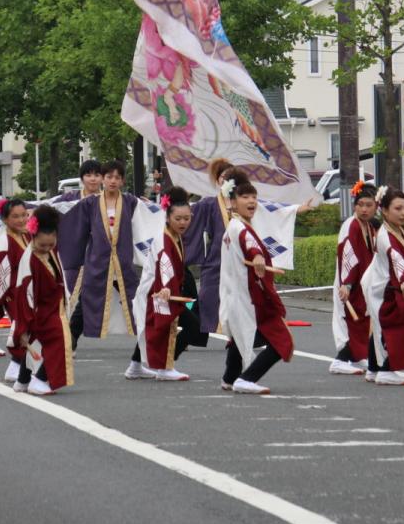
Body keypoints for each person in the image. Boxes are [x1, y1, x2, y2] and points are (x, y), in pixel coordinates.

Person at [185, 158, 306, 335]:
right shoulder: (209, 204)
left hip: (242, 258)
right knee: (207, 297)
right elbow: (186, 215)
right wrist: (166, 206)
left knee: (246, 298)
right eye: (223, 176)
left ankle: (249, 335)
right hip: (217, 258)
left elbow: (269, 210)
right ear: (218, 180)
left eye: (230, 175)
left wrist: (296, 209)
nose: (227, 179)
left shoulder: (244, 201)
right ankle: (190, 332)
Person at [58, 160, 145, 359]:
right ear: (103, 179)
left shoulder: (131, 202)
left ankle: (143, 355)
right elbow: (73, 225)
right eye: (109, 177)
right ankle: (67, 347)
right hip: (98, 262)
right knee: (84, 304)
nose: (113, 181)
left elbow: (146, 222)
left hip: (122, 263)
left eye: (117, 177)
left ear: (123, 180)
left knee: (139, 304)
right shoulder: (90, 203)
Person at [218, 171, 294, 395]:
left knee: (244, 336)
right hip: (252, 299)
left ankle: (229, 378)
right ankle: (246, 379)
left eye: (253, 196)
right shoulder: (240, 229)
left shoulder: (235, 226)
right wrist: (258, 258)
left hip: (240, 296)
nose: (251, 201)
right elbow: (252, 247)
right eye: (244, 197)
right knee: (283, 341)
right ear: (232, 202)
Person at [130, 186, 206, 381]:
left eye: (187, 218)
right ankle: (164, 367)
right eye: (178, 219)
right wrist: (166, 288)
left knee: (153, 328)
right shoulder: (164, 238)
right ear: (168, 217)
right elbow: (164, 264)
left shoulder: (173, 235)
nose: (183, 222)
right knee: (179, 327)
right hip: (158, 290)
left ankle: (135, 366)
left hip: (163, 288)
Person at [363, 186, 404, 386]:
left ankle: (374, 369)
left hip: (385, 285)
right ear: (384, 210)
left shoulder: (394, 230)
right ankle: (387, 370)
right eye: (397, 208)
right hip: (388, 289)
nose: (403, 213)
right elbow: (397, 258)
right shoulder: (387, 236)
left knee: (382, 328)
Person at [12, 206, 74, 396]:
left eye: (51, 244)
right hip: (39, 311)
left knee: (37, 343)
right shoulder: (29, 260)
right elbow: (24, 295)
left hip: (53, 307)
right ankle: (39, 379)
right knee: (60, 342)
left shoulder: (51, 252)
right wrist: (23, 326)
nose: (47, 248)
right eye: (42, 246)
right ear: (33, 236)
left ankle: (22, 381)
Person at [330, 181, 376, 376]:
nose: (364, 209)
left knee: (363, 320)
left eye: (369, 205)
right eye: (361, 205)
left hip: (363, 282)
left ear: (376, 207)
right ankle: (340, 360)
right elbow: (348, 255)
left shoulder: (369, 226)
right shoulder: (352, 225)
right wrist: (347, 284)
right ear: (355, 205)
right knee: (352, 321)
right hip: (350, 282)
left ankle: (357, 357)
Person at [0, 198, 31, 385]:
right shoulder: (4, 241)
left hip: (29, 292)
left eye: (23, 215)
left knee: (28, 329)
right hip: (14, 294)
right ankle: (18, 367)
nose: (21, 220)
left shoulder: (27, 235)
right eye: (15, 217)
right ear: (5, 219)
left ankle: (16, 366)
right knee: (22, 329)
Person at [52, 159, 104, 301]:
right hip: (73, 260)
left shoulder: (110, 200)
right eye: (88, 175)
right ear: (82, 178)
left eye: (97, 175)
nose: (93, 179)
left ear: (102, 178)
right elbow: (46, 208)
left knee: (98, 304)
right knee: (74, 304)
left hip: (102, 262)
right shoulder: (69, 199)